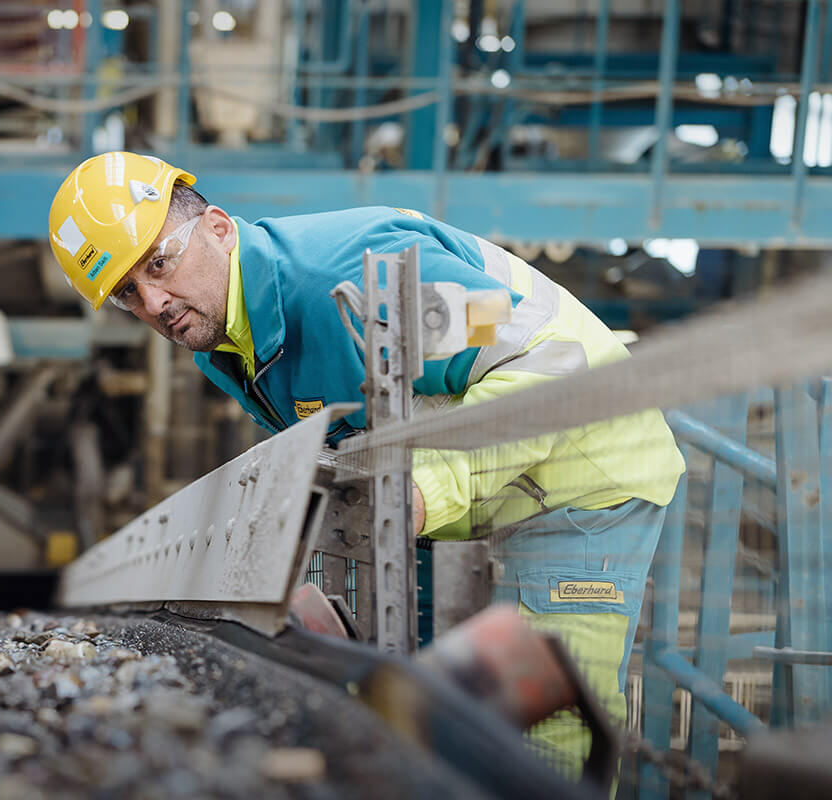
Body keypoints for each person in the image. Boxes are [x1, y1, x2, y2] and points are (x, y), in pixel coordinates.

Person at [46, 151, 685, 774]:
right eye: (128, 293)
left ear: (215, 226)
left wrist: (426, 490)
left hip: (582, 469)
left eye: (159, 263)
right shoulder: (224, 342)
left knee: (540, 733)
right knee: (433, 706)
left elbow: (547, 365)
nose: (154, 302)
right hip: (477, 491)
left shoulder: (352, 274)